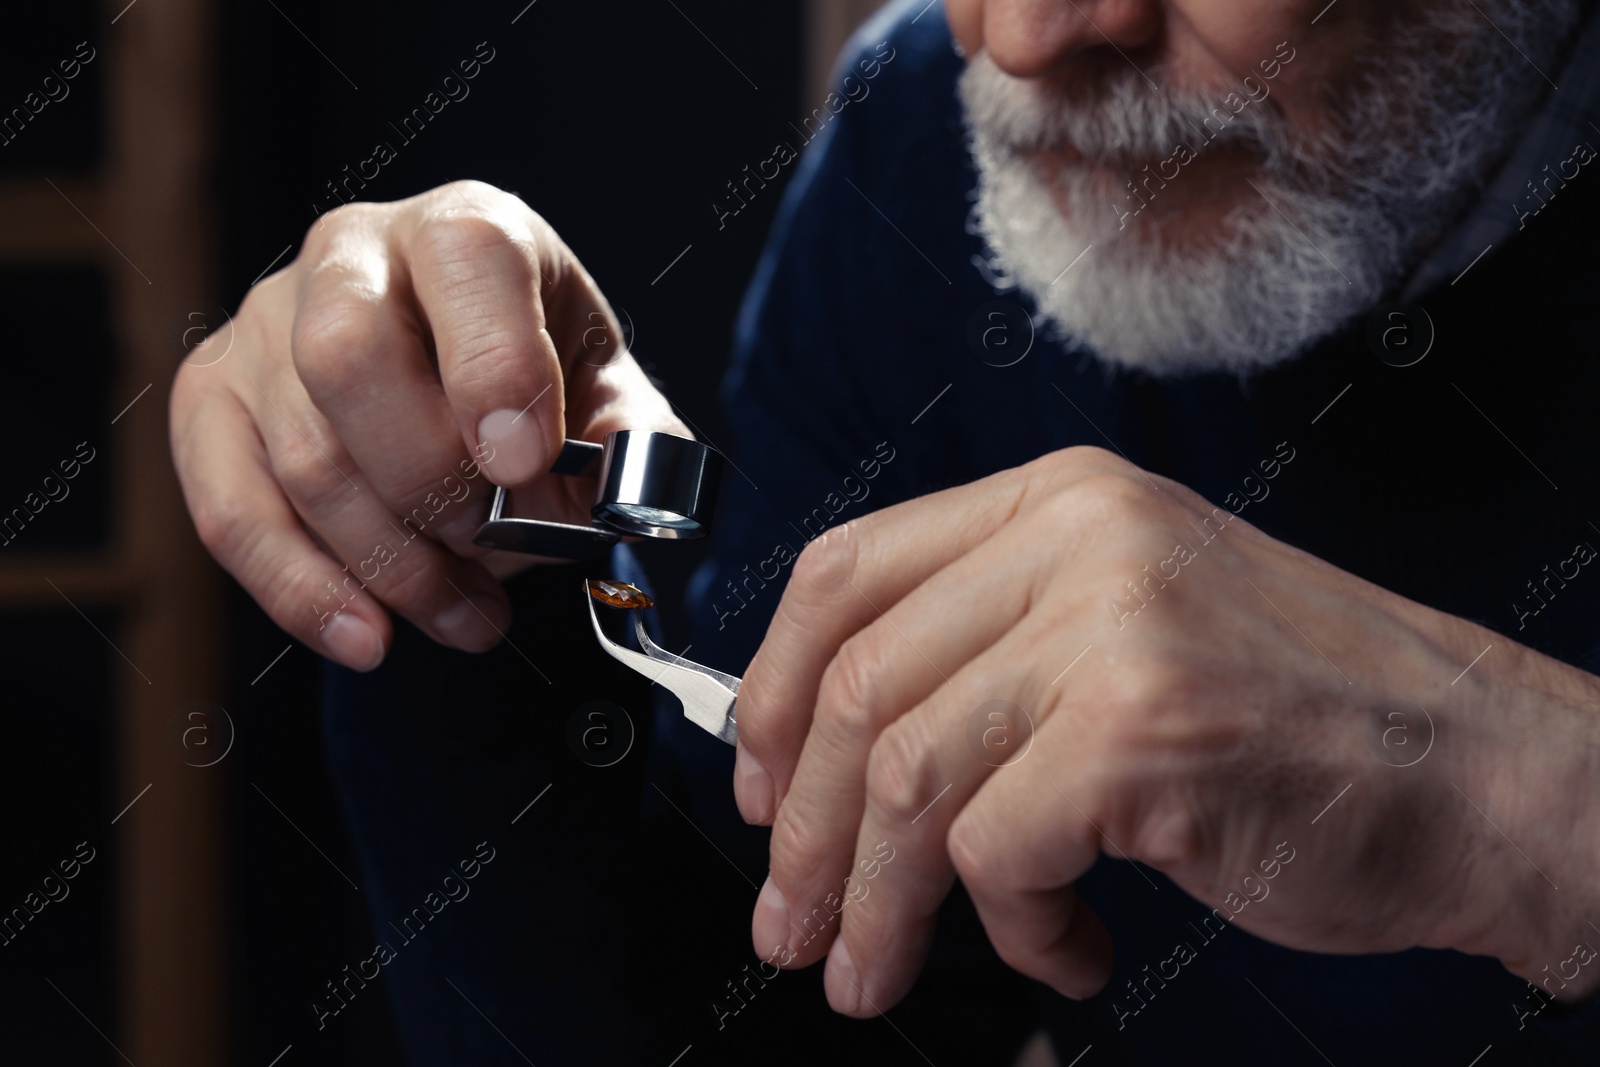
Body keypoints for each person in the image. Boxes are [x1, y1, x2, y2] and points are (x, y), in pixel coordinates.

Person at [170, 0, 1600, 1061]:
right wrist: (463, 570)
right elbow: (795, 1004)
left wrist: (1531, 809)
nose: (1030, 39)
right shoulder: (924, 154)